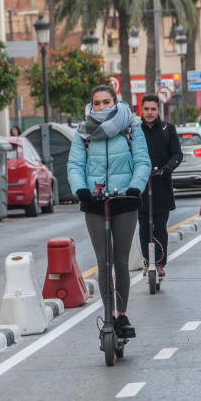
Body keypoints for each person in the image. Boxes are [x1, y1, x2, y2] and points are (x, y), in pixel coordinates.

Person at [67, 84, 151, 339]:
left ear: (115, 102)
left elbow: (142, 161)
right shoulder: (83, 132)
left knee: (121, 262)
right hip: (95, 202)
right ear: (91, 106)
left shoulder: (131, 127)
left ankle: (121, 314)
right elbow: (74, 164)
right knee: (103, 262)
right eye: (97, 103)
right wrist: (80, 188)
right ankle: (107, 313)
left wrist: (136, 187)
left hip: (125, 199)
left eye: (106, 102)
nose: (101, 107)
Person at [137, 94, 182, 278]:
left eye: (153, 109)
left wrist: (167, 169)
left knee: (160, 226)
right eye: (146, 109)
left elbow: (177, 154)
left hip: (162, 186)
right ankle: (148, 263)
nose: (149, 112)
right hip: (140, 187)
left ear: (158, 110)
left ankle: (160, 263)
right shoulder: (135, 130)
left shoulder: (167, 129)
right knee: (144, 227)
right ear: (141, 110)